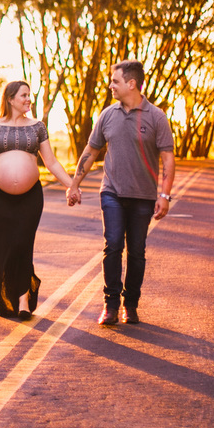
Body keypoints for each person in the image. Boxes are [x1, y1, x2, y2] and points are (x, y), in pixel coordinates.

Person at [66, 60, 175, 326]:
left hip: (143, 196)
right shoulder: (107, 115)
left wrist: (165, 196)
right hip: (112, 192)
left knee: (136, 251)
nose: (111, 86)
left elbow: (168, 160)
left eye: (115, 81)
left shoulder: (156, 117)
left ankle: (131, 304)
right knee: (113, 245)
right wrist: (74, 183)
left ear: (132, 84)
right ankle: (111, 304)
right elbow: (91, 151)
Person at [0, 80, 75, 320]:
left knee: (22, 244)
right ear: (10, 99)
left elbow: (50, 162)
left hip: (30, 198)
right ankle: (4, 298)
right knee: (2, 249)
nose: (29, 99)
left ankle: (22, 300)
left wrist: (71, 185)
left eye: (30, 95)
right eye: (24, 96)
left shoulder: (37, 127)